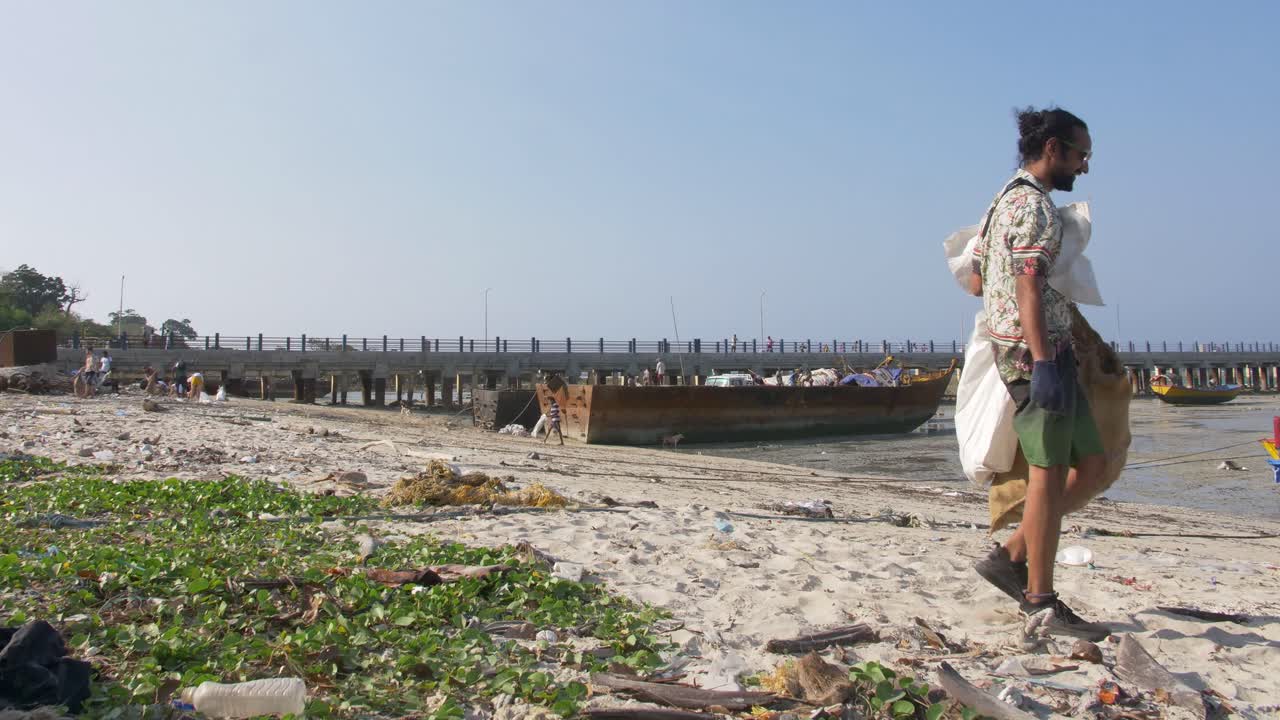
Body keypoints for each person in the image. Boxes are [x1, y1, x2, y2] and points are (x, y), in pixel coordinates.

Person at [968, 107, 1108, 640]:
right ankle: (1040, 599)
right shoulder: (1034, 209)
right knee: (1048, 477)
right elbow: (1026, 286)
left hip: (1038, 353)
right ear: (1053, 149)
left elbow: (977, 280)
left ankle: (1009, 555)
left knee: (1092, 465)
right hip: (1036, 360)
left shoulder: (1001, 202)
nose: (1085, 166)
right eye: (1080, 154)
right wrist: (1043, 357)